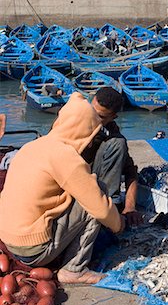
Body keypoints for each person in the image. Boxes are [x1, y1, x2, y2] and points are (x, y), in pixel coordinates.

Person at [0, 92, 125, 284]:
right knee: (95, 198)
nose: (91, 141)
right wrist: (118, 224)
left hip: (9, 239)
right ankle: (74, 270)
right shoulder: (66, 157)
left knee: (85, 196)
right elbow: (99, 208)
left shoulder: (33, 146)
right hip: (33, 250)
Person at [84, 87, 142, 227]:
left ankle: (110, 207)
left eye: (101, 117)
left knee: (118, 143)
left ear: (112, 117)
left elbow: (130, 172)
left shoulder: (111, 131)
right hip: (70, 181)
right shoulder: (73, 121)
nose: (94, 118)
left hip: (93, 184)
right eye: (93, 112)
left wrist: (129, 207)